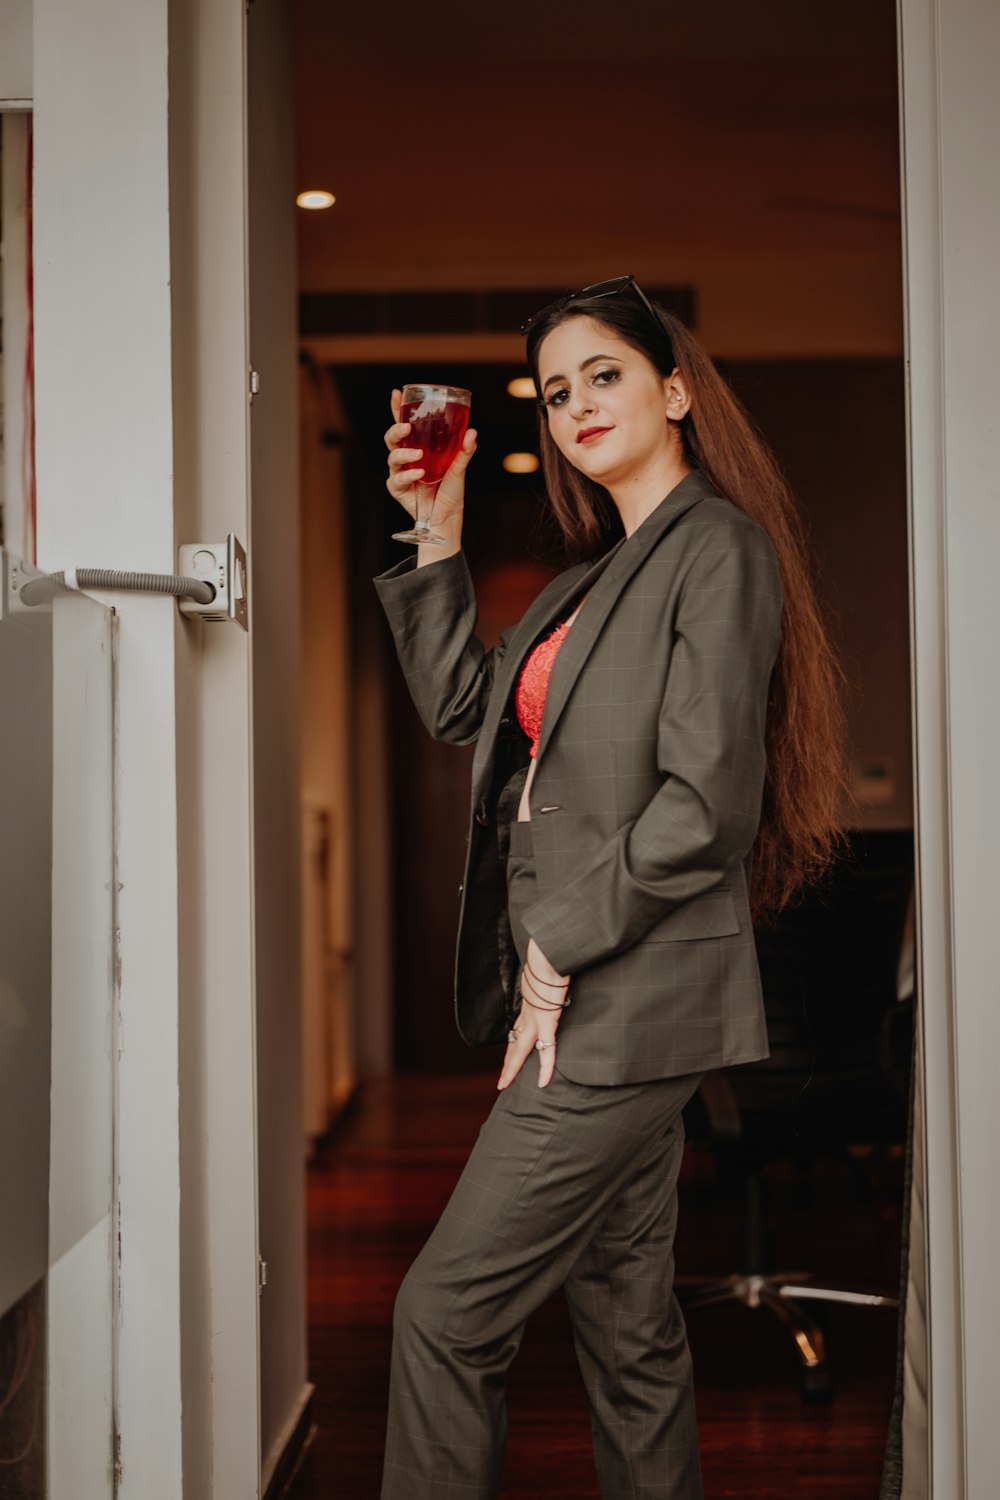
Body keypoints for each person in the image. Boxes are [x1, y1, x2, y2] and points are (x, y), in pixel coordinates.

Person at [372, 274, 850, 1500]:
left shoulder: (717, 551)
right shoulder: (594, 576)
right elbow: (467, 710)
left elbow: (705, 809)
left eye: (608, 374)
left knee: (442, 1313)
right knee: (627, 1328)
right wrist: (438, 526)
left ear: (676, 389)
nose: (577, 402)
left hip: (618, 1002)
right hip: (605, 995)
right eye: (556, 388)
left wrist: (555, 947)